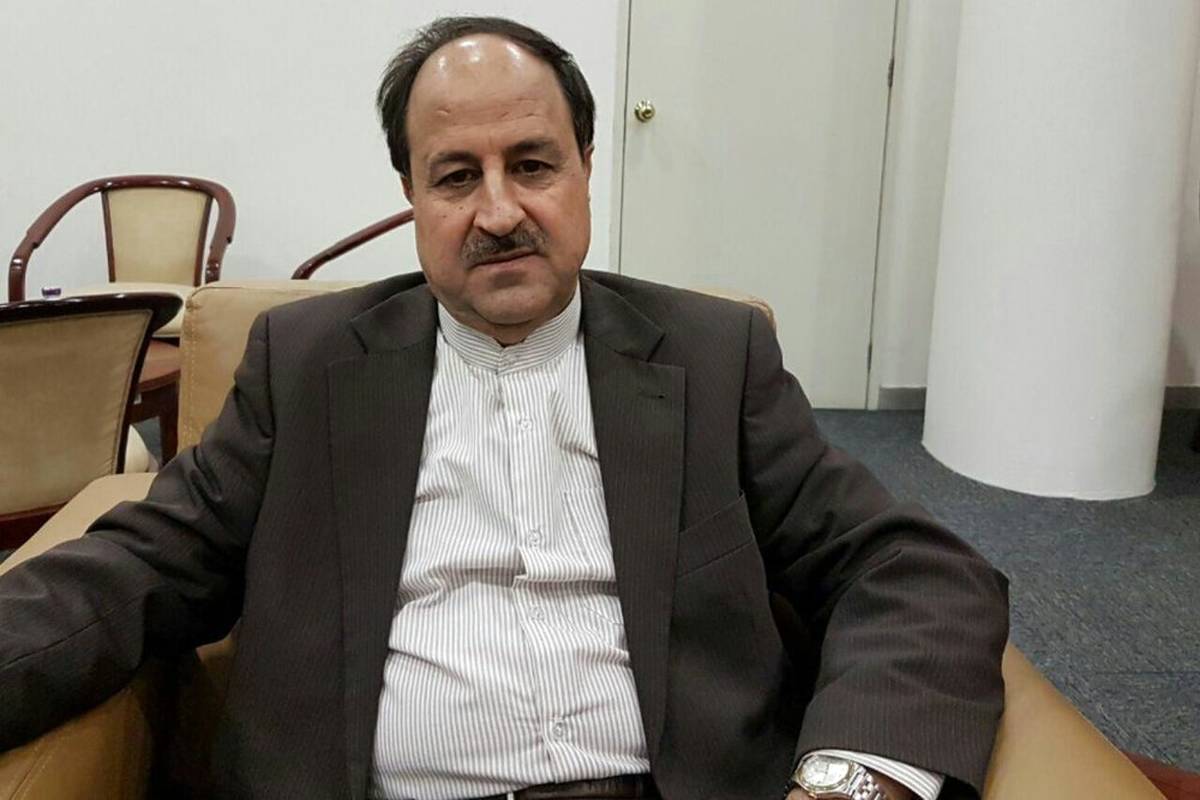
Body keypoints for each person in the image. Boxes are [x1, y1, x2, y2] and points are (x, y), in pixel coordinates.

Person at [0, 16, 1008, 800]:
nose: (498, 211)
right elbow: (142, 565)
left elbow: (907, 570)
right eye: (455, 176)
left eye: (531, 164)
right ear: (411, 195)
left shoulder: (711, 357)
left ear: (585, 168)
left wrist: (850, 783)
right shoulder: (306, 367)